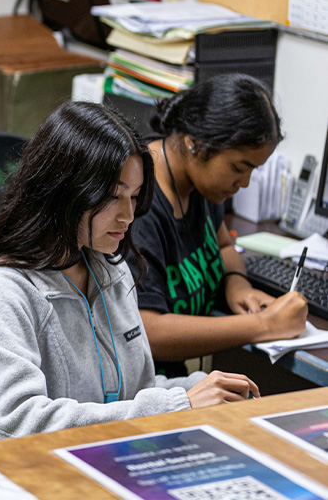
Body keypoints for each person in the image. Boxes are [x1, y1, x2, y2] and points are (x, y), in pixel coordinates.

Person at [0, 101, 259, 444]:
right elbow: (15, 425)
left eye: (134, 197)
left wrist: (203, 391)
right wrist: (179, 405)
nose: (128, 216)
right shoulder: (1, 291)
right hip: (27, 473)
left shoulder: (109, 268)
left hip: (101, 456)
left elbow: (135, 393)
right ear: (63, 191)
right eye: (113, 197)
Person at [126, 74, 308, 378]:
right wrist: (263, 326)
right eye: (239, 168)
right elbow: (149, 331)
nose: (244, 183)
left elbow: (224, 246)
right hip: (143, 387)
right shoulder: (137, 202)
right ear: (196, 144)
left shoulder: (201, 185)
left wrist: (238, 284)